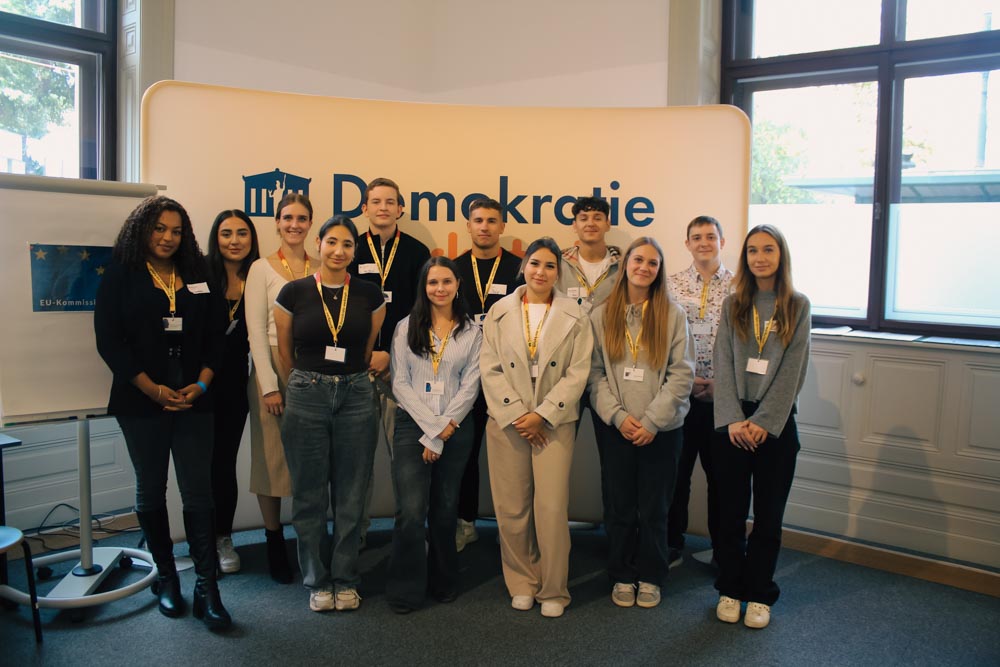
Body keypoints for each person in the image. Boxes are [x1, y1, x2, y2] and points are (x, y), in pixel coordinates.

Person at [95, 195, 231, 630]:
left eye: (175, 230)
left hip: (196, 399)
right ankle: (167, 578)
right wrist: (152, 389)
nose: (168, 238)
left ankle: (207, 587)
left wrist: (203, 382)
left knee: (198, 493)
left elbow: (216, 336)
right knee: (150, 489)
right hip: (141, 402)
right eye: (159, 229)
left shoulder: (199, 274)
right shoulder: (121, 274)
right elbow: (109, 341)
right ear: (142, 229)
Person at [274, 215, 385, 613]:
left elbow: (368, 344)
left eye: (348, 245)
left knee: (352, 494)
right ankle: (317, 580)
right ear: (318, 244)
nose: (339, 251)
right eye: (332, 242)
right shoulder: (293, 292)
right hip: (307, 393)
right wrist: (303, 385)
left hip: (356, 393)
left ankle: (345, 578)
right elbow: (285, 352)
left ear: (355, 251)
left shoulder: (371, 295)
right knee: (309, 494)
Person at [480, 237, 594, 619]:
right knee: (511, 509)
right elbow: (490, 369)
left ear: (558, 272)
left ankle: (553, 588)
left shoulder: (576, 315)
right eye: (534, 264)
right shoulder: (499, 311)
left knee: (550, 508)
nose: (540, 272)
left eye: (548, 265)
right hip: (507, 421)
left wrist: (543, 415)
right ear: (523, 267)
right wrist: (517, 415)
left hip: (553, 424)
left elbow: (579, 373)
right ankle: (521, 581)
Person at [711, 224, 811, 630]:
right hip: (733, 422)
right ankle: (731, 588)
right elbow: (722, 361)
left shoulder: (797, 305)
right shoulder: (733, 302)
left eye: (768, 250)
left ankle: (759, 593)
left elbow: (793, 370)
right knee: (728, 515)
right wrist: (734, 418)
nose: (760, 257)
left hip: (775, 424)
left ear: (780, 255)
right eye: (752, 250)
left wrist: (764, 423)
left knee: (768, 516)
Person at [589, 237, 694, 609]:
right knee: (618, 505)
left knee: (654, 506)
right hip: (615, 427)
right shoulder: (602, 314)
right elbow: (594, 374)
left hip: (661, 430)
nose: (644, 268)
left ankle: (651, 574)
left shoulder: (673, 315)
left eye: (652, 263)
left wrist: (651, 421)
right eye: (638, 260)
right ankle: (620, 573)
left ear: (659, 270)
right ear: (626, 265)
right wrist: (619, 418)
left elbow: (682, 374)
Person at [386, 257, 482, 613]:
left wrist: (444, 429)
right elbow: (400, 383)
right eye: (432, 283)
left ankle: (444, 580)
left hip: (456, 426)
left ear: (458, 284)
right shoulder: (405, 327)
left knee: (444, 510)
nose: (439, 289)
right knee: (411, 511)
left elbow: (472, 385)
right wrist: (431, 431)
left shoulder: (473, 332)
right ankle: (406, 587)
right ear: (423, 287)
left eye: (445, 282)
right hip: (415, 424)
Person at [349, 177, 431, 545]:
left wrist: (391, 356)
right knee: (356, 462)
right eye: (375, 201)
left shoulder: (416, 251)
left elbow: (424, 309)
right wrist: (366, 353)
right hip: (356, 369)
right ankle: (356, 534)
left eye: (390, 202)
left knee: (406, 461)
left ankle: (409, 534)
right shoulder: (348, 249)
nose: (383, 207)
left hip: (403, 370)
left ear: (400, 209)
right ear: (364, 208)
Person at [245, 192, 317, 583]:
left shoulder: (321, 265)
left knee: (314, 457)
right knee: (272, 455)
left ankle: (309, 537)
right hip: (272, 364)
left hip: (312, 363)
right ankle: (274, 540)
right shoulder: (261, 268)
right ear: (276, 222)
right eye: (287, 217)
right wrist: (269, 385)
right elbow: (255, 330)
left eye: (302, 218)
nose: (294, 224)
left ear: (310, 223)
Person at [452, 197, 523, 551]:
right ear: (468, 225)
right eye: (477, 220)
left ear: (502, 227)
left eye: (491, 221)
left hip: (507, 377)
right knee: (463, 453)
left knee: (511, 456)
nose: (484, 227)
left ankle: (515, 529)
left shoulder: (520, 268)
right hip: (462, 376)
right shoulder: (453, 268)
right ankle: (465, 522)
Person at [666, 215, 733, 567]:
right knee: (675, 475)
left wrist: (722, 384)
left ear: (722, 240)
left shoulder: (740, 287)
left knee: (721, 479)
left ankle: (723, 550)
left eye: (711, 236)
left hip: (723, 396)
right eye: (697, 237)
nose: (704, 242)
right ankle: (671, 544)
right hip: (680, 392)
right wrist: (685, 380)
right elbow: (661, 337)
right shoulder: (671, 285)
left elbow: (745, 343)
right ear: (687, 243)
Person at [556, 196, 622, 525]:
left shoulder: (624, 266)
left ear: (608, 224)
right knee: (553, 458)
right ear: (574, 224)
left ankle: (617, 536)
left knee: (614, 462)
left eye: (598, 217)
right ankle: (549, 529)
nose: (591, 223)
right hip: (565, 371)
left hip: (609, 373)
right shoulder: (557, 263)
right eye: (584, 217)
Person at [205, 209, 260, 574]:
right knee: (198, 468)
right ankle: (200, 539)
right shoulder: (198, 276)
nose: (235, 241)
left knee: (223, 466)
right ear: (216, 238)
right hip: (196, 385)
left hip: (233, 388)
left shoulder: (259, 278)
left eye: (242, 233)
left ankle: (222, 538)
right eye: (227, 234)